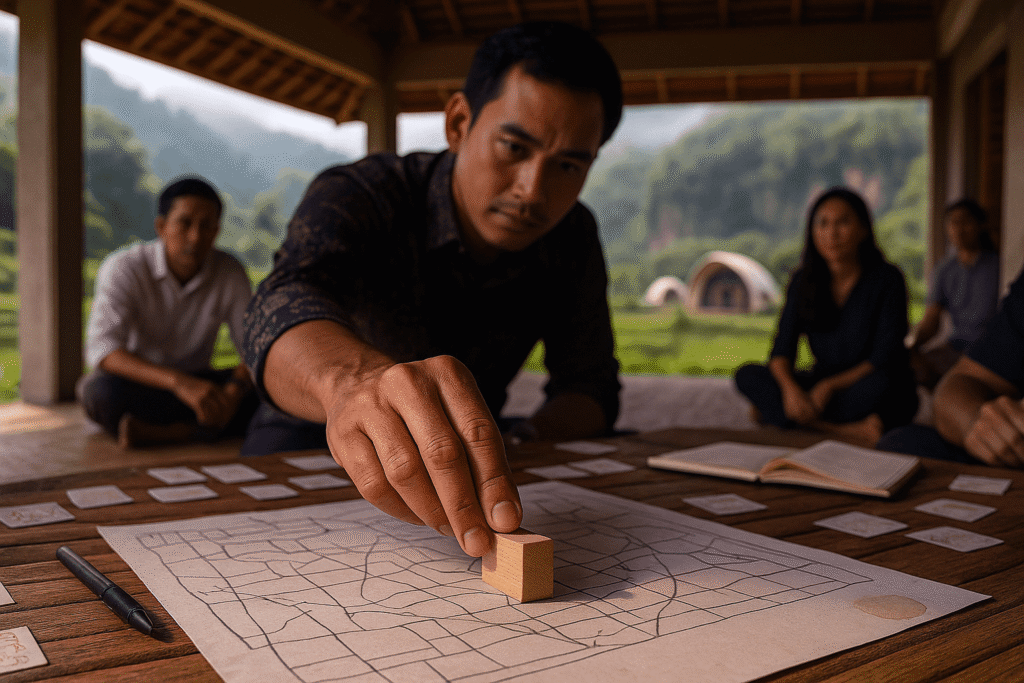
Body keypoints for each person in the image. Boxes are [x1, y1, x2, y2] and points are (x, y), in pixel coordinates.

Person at [241, 22, 623, 558]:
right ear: (459, 122)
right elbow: (275, 305)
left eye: (567, 165)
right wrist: (352, 384)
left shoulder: (573, 236)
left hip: (470, 457)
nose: (532, 191)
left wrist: (525, 439)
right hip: (307, 438)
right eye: (514, 147)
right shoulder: (363, 194)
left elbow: (589, 385)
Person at [80, 177, 257, 448]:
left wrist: (232, 395)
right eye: (185, 223)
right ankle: (202, 431)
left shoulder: (229, 271)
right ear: (161, 226)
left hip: (201, 384)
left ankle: (169, 434)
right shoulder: (125, 268)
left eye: (207, 226)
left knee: (270, 390)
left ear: (217, 230)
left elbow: (253, 347)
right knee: (100, 392)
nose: (196, 237)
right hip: (143, 382)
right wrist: (178, 383)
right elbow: (103, 350)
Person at [734, 187, 918, 446]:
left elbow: (884, 355)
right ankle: (839, 430)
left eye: (843, 222)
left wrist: (829, 386)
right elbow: (781, 352)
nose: (832, 233)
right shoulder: (803, 281)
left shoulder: (887, 279)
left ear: (863, 229)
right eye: (823, 223)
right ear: (812, 231)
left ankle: (787, 420)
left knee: (891, 388)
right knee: (748, 375)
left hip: (864, 381)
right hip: (821, 381)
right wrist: (791, 391)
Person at [878, 263, 1024, 468]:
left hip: (969, 346)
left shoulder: (993, 266)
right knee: (899, 443)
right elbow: (961, 383)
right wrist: (980, 426)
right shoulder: (946, 270)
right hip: (960, 349)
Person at [908, 199, 999, 388]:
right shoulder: (944, 270)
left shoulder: (998, 266)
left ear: (981, 225)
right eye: (953, 222)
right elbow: (932, 319)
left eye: (966, 221)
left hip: (991, 348)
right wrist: (912, 346)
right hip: (955, 347)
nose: (959, 229)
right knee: (911, 366)